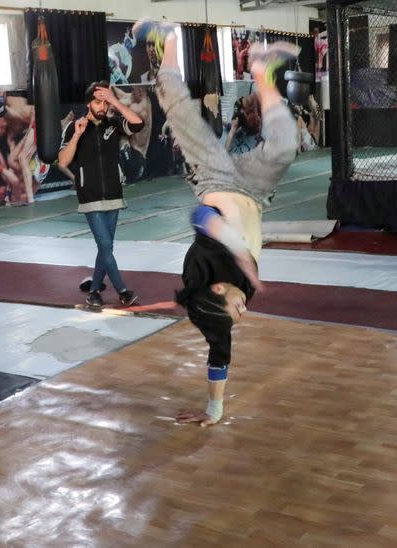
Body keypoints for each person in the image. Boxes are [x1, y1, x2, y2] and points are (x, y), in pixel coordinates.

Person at [134, 19, 299, 425]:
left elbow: (202, 215)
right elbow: (219, 357)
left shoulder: (201, 271)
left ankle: (167, 41)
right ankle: (261, 72)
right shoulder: (218, 318)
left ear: (220, 288)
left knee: (181, 114)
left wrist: (242, 256)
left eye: (237, 306)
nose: (244, 310)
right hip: (256, 192)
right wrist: (213, 410)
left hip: (215, 179)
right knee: (285, 147)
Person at [57, 81, 145, 308]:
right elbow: (63, 161)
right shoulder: (74, 127)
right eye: (98, 102)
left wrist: (115, 101)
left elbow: (138, 123)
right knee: (105, 246)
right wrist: (77, 135)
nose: (102, 107)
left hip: (114, 194)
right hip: (90, 196)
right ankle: (123, 291)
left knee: (105, 249)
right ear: (88, 103)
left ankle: (94, 291)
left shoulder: (113, 123)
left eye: (105, 102)